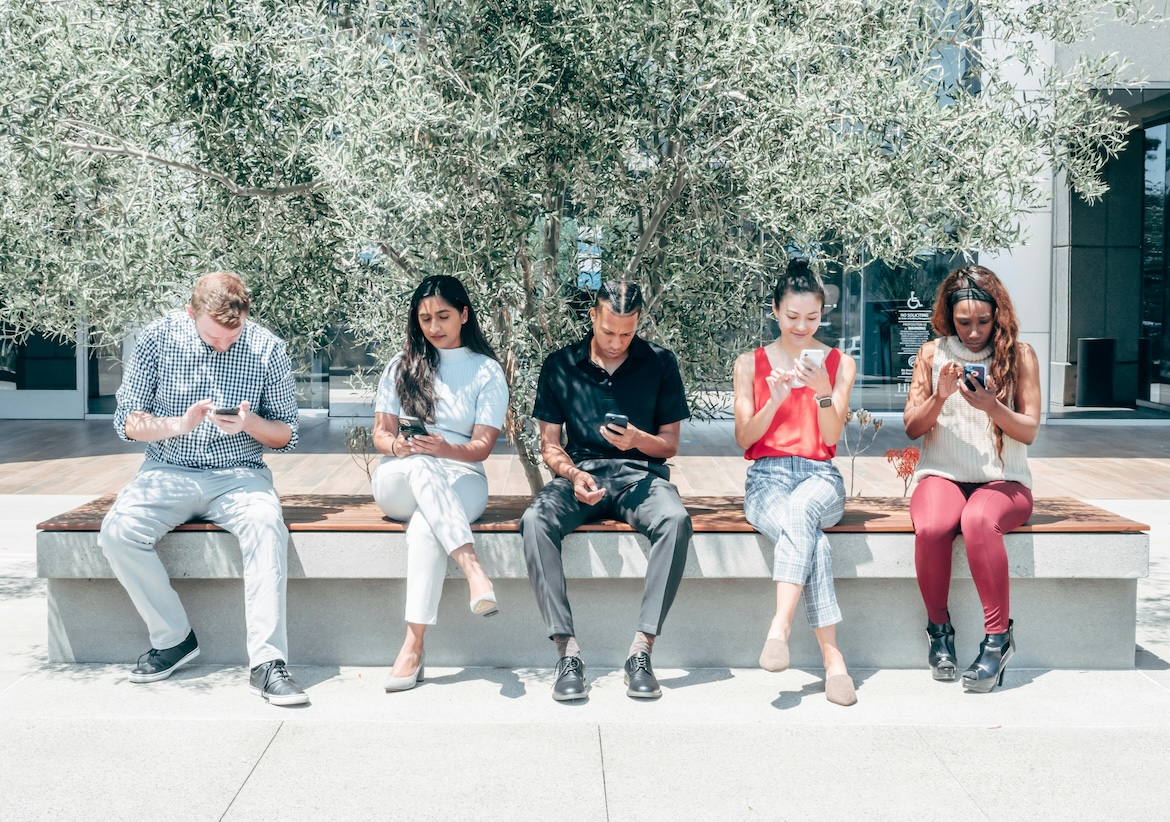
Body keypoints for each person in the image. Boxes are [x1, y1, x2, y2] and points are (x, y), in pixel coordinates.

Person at [99, 271, 308, 706]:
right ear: (191, 313)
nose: (224, 346)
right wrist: (178, 424)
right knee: (118, 533)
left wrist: (250, 423)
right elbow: (127, 424)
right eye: (214, 339)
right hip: (167, 469)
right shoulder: (157, 339)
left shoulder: (266, 347)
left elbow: (288, 435)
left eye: (232, 338)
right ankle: (174, 637)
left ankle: (268, 663)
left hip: (239, 473)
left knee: (268, 527)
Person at [521, 280, 692, 702]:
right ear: (593, 317)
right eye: (609, 331)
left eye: (627, 333)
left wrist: (636, 439)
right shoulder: (560, 365)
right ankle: (567, 652)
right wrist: (572, 474)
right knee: (534, 520)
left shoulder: (660, 363)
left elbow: (669, 444)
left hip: (640, 475)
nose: (617, 342)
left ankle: (641, 650)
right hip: (579, 476)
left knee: (675, 519)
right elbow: (550, 445)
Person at [903, 265, 1040, 693]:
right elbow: (911, 428)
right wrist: (940, 398)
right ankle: (939, 632)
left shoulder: (1020, 355)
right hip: (942, 475)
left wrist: (993, 407)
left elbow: (1029, 431)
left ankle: (998, 641)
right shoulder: (931, 354)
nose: (975, 331)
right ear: (948, 316)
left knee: (978, 520)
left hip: (1005, 482)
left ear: (998, 314)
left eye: (984, 321)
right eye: (964, 322)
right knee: (931, 526)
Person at [370, 275, 508, 692]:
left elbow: (482, 446)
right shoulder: (402, 364)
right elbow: (380, 434)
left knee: (428, 526)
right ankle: (472, 568)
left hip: (462, 477)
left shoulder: (486, 371)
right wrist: (402, 448)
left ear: (464, 314)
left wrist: (444, 448)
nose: (433, 327)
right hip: (400, 478)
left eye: (443, 316)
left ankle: (413, 646)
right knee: (422, 463)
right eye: (425, 318)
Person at [733, 258, 858, 707]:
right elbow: (745, 438)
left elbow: (830, 438)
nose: (802, 327)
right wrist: (778, 400)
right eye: (792, 317)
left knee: (803, 510)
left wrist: (823, 390)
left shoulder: (841, 364)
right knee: (814, 543)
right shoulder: (750, 363)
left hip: (819, 476)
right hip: (766, 478)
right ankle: (833, 659)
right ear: (774, 311)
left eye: (812, 317)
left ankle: (779, 627)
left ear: (822, 314)